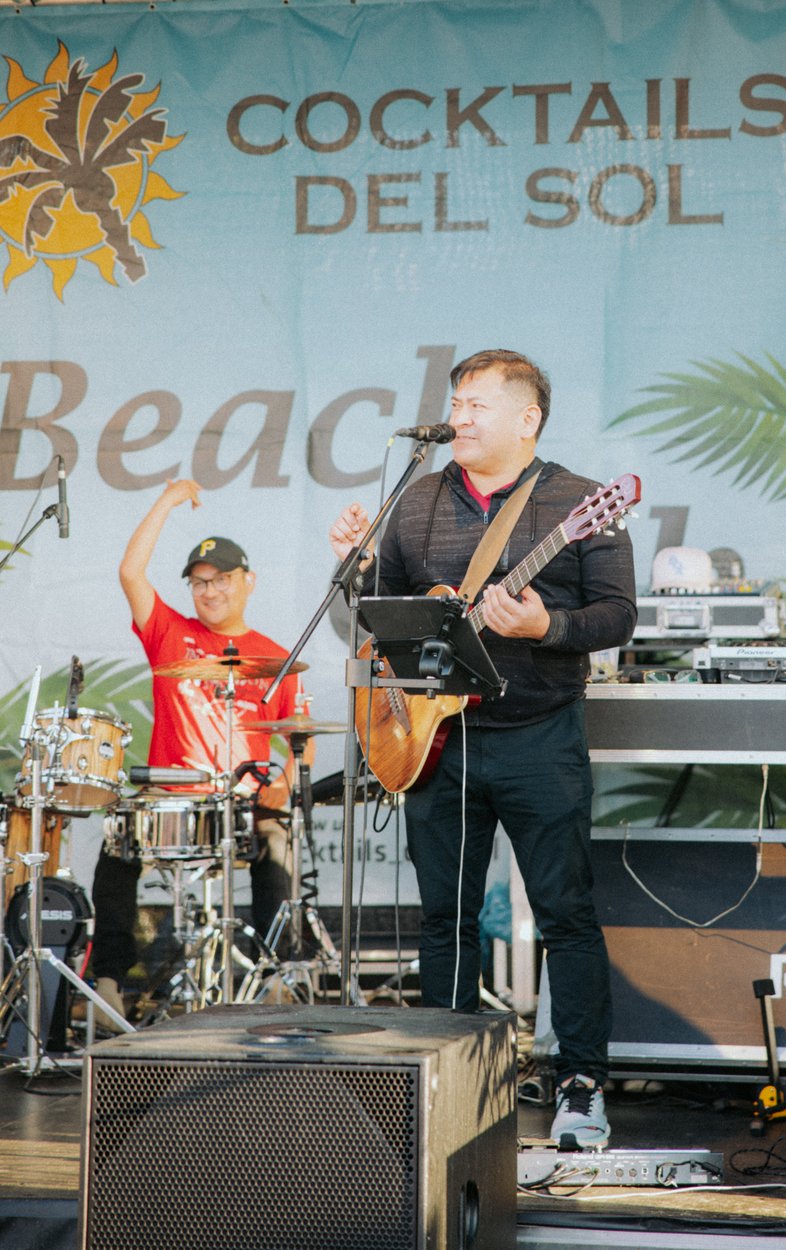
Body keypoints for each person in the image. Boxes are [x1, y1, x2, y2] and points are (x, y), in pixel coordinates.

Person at [328, 348, 637, 1148]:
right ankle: (450, 1083)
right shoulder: (420, 497)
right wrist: (353, 567)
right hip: (441, 742)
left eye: (476, 405)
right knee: (446, 920)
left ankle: (579, 1086)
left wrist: (546, 626)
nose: (458, 417)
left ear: (526, 419)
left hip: (540, 738)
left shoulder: (577, 502)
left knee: (566, 915)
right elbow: (382, 617)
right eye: (455, 403)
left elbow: (617, 615)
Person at [90, 479, 310, 1021]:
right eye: (199, 583)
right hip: (172, 797)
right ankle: (110, 982)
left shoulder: (275, 658)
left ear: (248, 581)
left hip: (240, 804)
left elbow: (301, 741)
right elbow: (130, 574)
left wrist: (287, 777)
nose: (210, 591)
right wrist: (165, 501)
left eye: (222, 580)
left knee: (276, 837)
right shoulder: (170, 633)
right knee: (115, 850)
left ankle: (274, 977)